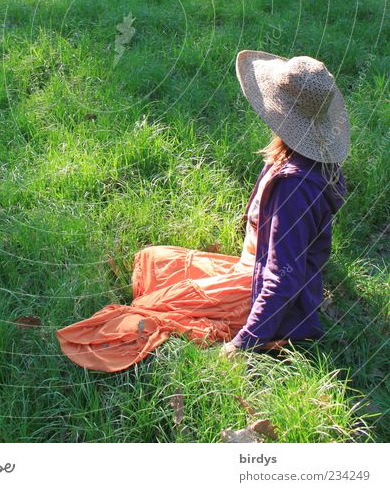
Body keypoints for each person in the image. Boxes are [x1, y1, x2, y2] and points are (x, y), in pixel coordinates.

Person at [56, 50, 349, 372]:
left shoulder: (295, 188)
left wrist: (245, 341)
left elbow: (283, 276)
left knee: (149, 310)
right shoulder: (304, 158)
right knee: (152, 258)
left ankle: (247, 321)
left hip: (260, 290)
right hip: (251, 267)